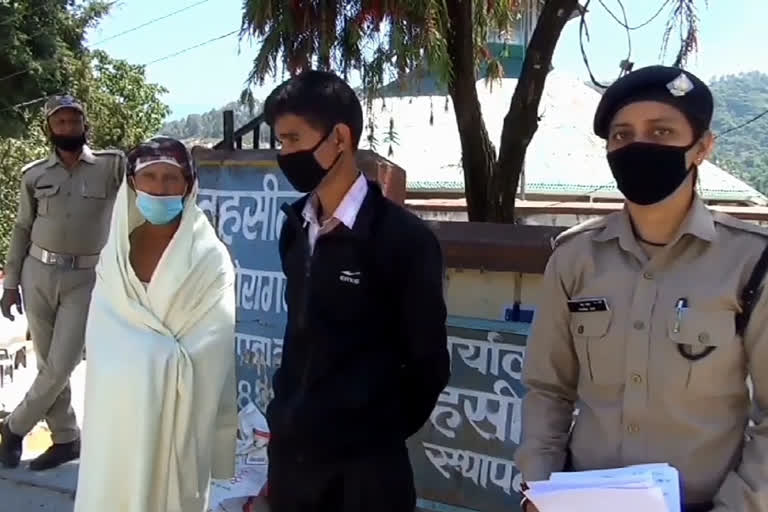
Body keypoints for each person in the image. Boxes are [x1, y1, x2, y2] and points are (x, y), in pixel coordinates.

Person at [515, 65, 768, 512]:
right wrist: (538, 490)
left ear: (702, 147)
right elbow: (548, 389)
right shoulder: (575, 259)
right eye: (622, 136)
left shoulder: (750, 264)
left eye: (662, 132)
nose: (639, 147)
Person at [263, 70, 450, 512]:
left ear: (340, 138)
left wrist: (370, 433)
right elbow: (300, 338)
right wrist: (287, 418)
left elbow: (429, 365)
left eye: (293, 139)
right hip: (293, 464)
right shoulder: (295, 228)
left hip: (366, 478)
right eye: (280, 142)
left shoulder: (403, 239)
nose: (285, 154)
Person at [73, 137, 237, 512]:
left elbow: (213, 343)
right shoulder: (115, 256)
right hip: (118, 410)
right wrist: (146, 356)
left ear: (189, 185)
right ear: (133, 184)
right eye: (150, 177)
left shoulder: (209, 259)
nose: (160, 188)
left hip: (177, 422)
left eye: (170, 178)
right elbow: (103, 337)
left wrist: (147, 355)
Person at [0, 95, 125, 470]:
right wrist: (9, 283)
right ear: (49, 129)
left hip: (85, 277)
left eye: (73, 121)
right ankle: (67, 439)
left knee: (62, 363)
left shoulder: (111, 166)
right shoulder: (34, 174)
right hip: (37, 272)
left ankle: (13, 426)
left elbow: (141, 195)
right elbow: (22, 228)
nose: (67, 128)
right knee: (46, 363)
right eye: (60, 122)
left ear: (84, 124)